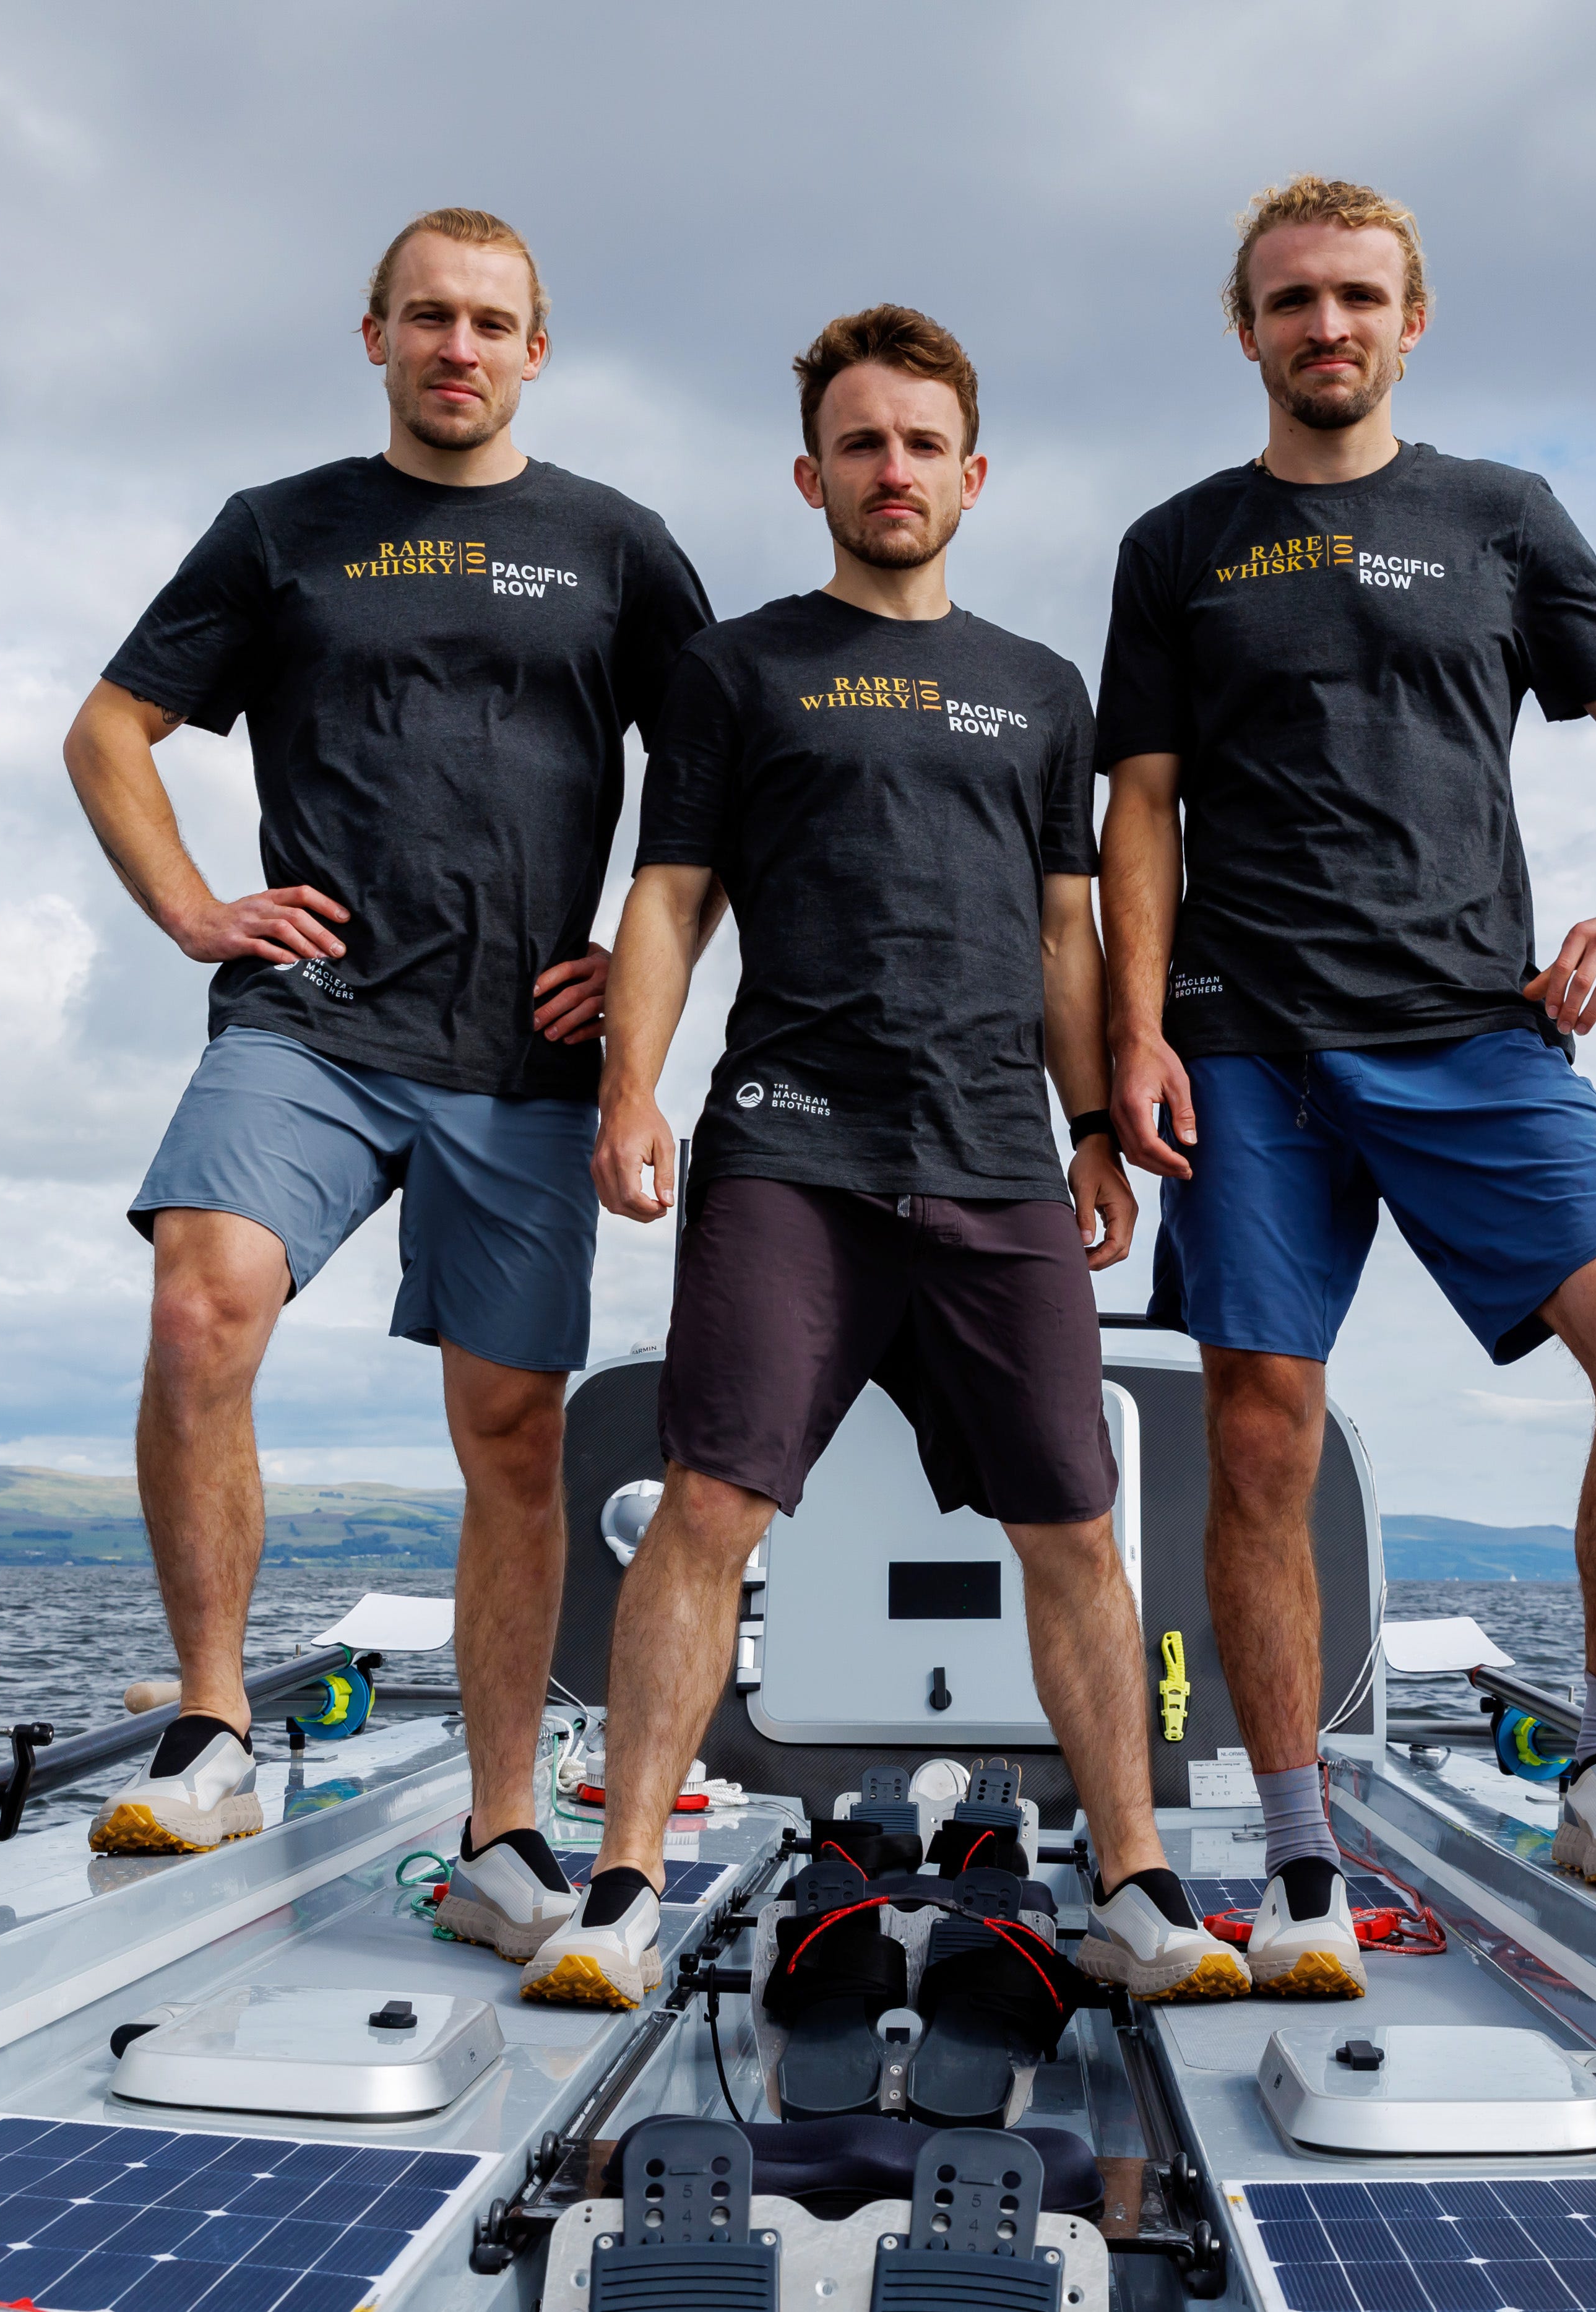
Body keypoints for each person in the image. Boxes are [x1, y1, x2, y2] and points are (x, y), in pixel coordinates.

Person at [517, 306, 1243, 2011]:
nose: (891, 469)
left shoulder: (1039, 688)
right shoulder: (737, 669)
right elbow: (673, 898)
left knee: (1072, 1528)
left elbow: (1070, 935)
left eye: (920, 444)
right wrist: (634, 1086)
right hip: (788, 1149)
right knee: (707, 1506)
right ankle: (621, 1892)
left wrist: (1089, 1125)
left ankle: (1132, 1893)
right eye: (860, 442)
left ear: (971, 477)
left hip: (995, 1158)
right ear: (811, 473)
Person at [59, 209, 712, 1974]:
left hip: (521, 1062)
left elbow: (721, 778)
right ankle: (209, 1736)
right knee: (202, 1301)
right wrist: (191, 907)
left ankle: (504, 1830)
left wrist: (635, 996)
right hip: (310, 1021)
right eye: (427, 317)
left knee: (510, 1441)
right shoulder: (281, 530)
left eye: (490, 322)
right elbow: (107, 731)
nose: (457, 347)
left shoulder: (613, 546)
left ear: (535, 349)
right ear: (374, 337)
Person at [1097, 176, 1596, 1994]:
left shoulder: (1499, 517)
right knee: (1258, 1428)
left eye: (1357, 298)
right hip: (1245, 1037)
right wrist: (1131, 1037)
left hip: (1470, 1025)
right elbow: (1137, 810)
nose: (1325, 328)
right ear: (1247, 332)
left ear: (1410, 319)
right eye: (1290, 302)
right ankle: (1294, 1860)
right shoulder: (1177, 543)